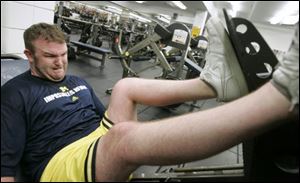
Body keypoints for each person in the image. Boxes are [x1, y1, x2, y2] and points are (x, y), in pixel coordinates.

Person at [1, 16, 298, 182]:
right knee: (123, 136)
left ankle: (214, 84)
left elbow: (103, 118)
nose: (60, 63)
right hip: (59, 163)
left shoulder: (76, 81)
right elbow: (5, 165)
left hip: (94, 142)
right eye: (50, 57)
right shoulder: (15, 93)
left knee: (125, 87)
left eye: (64, 55)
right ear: (29, 55)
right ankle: (281, 97)